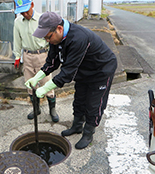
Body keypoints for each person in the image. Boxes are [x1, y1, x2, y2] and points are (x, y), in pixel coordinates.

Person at [25, 11, 117, 149]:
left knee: (94, 104)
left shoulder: (79, 37)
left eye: (48, 37)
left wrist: (45, 88)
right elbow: (52, 62)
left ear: (59, 28)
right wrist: (36, 78)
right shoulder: (56, 38)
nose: (47, 41)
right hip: (84, 69)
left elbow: (67, 73)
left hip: (101, 70)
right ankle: (77, 126)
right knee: (79, 99)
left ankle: (88, 133)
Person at [13, 0, 59, 122]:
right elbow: (16, 40)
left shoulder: (41, 20)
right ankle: (36, 109)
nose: (25, 15)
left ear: (32, 5)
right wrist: (17, 56)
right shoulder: (18, 22)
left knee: (47, 84)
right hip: (27, 56)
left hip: (42, 55)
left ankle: (52, 110)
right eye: (22, 13)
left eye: (26, 11)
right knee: (30, 84)